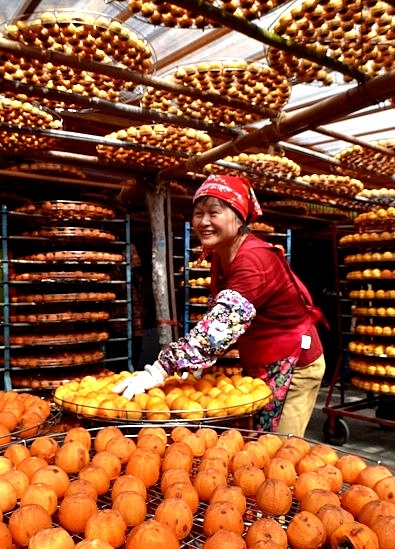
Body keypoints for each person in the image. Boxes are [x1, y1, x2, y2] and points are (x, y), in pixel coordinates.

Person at [112, 174, 327, 437]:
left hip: (293, 362)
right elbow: (220, 318)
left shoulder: (254, 261)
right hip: (262, 359)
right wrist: (198, 362)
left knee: (278, 447)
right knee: (253, 439)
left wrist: (162, 367)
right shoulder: (221, 256)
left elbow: (218, 329)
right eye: (198, 213)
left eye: (214, 213)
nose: (203, 222)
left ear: (238, 217)